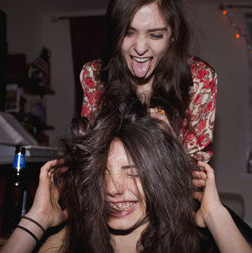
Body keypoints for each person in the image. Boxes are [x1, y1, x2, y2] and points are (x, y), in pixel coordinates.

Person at [0, 102, 252, 253]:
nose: (113, 189)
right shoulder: (72, 240)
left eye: (132, 172)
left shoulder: (193, 249)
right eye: (103, 173)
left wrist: (215, 216)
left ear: (160, 177)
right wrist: (38, 219)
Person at [80, 0, 217, 163]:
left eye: (156, 35)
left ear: (173, 35)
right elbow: (87, 156)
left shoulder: (200, 78)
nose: (140, 47)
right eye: (128, 33)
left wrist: (172, 146)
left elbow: (199, 173)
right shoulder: (94, 75)